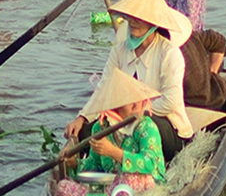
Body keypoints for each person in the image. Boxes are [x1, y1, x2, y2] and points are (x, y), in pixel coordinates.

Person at [64, 0, 194, 164]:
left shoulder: (169, 53)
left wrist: (133, 115)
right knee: (89, 131)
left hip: (166, 126)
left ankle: (131, 161)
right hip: (124, 120)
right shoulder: (119, 51)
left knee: (144, 128)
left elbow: (170, 101)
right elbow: (104, 89)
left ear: (153, 23)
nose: (133, 22)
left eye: (139, 18)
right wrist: (82, 117)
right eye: (131, 17)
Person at [57, 68, 166, 196]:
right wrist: (74, 163)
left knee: (128, 179)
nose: (137, 105)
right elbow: (94, 166)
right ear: (115, 107)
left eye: (138, 99)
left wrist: (113, 152)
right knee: (62, 187)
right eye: (130, 101)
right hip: (112, 185)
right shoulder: (100, 129)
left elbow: (150, 164)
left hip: (144, 185)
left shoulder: (146, 127)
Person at [181, 28, 226, 110]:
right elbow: (219, 41)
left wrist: (211, 72)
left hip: (199, 105)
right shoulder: (190, 35)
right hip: (217, 93)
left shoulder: (169, 51)